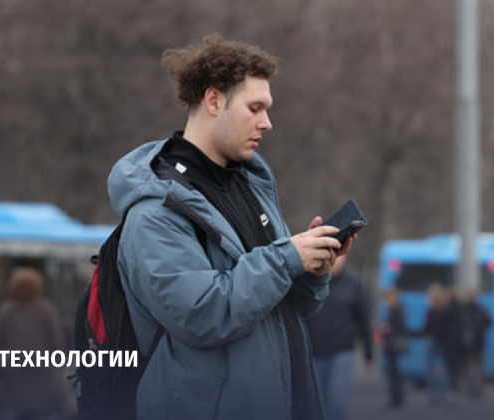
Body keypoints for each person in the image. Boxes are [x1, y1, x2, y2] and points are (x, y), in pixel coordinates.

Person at [109, 34, 354, 420]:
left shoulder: (251, 184)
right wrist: (287, 257)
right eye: (255, 108)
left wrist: (312, 270)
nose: (267, 123)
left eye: (268, 108)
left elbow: (288, 308)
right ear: (213, 100)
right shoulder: (156, 209)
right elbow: (202, 313)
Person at [0, 267, 73, 420]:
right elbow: (56, 339)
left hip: (15, 367)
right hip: (40, 366)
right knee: (40, 409)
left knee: (19, 410)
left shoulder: (6, 309)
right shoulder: (46, 308)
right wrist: (61, 363)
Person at [307, 255, 374, 420]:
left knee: (337, 401)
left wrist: (369, 352)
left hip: (342, 351)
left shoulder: (354, 283)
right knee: (315, 402)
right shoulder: (309, 280)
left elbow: (364, 319)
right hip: (313, 350)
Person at [458, 289, 491, 399]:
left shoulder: (462, 310)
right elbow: (488, 322)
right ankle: (477, 388)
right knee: (477, 366)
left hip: (465, 342)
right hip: (478, 341)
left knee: (467, 366)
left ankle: (470, 388)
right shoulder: (480, 310)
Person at [380, 289, 408, 408]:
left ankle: (396, 399)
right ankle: (397, 398)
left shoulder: (394, 310)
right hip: (395, 343)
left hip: (393, 344)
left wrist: (386, 328)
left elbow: (397, 327)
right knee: (395, 372)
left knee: (394, 373)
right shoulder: (399, 309)